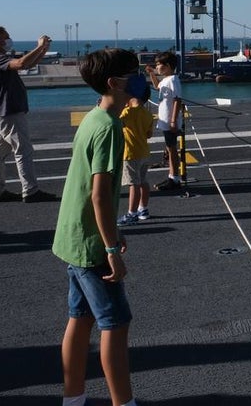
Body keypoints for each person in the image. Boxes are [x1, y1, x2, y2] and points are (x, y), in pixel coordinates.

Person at [52, 47, 141, 406]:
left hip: (72, 238)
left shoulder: (93, 118)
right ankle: (124, 403)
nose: (141, 78)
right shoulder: (110, 129)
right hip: (91, 246)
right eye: (134, 73)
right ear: (114, 82)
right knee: (115, 325)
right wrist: (110, 249)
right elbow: (101, 196)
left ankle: (73, 399)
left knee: (80, 319)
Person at [0, 22, 57, 203]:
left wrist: (43, 49)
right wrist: (38, 46)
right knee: (23, 150)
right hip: (9, 113)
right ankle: (30, 191)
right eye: (5, 37)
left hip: (3, 113)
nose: (8, 40)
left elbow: (28, 63)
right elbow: (22, 63)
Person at [117, 75, 154, 226]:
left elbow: (114, 123)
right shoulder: (147, 114)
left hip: (130, 153)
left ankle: (131, 213)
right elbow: (149, 134)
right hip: (144, 151)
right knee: (143, 182)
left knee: (134, 184)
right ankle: (143, 209)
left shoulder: (126, 113)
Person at [146, 52, 183, 191]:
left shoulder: (173, 79)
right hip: (165, 120)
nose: (157, 67)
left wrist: (173, 121)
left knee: (172, 150)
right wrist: (151, 74)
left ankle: (174, 179)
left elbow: (177, 99)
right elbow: (157, 87)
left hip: (169, 121)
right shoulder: (166, 79)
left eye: (158, 64)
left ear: (167, 66)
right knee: (170, 149)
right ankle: (172, 177)